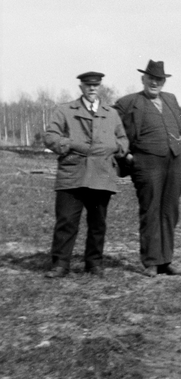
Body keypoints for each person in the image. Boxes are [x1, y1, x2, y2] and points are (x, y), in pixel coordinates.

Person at [44, 71, 129, 278]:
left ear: (100, 87)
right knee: (66, 221)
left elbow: (123, 140)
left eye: (96, 86)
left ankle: (94, 263)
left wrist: (115, 147)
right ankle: (60, 264)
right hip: (72, 175)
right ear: (81, 87)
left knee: (98, 222)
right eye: (88, 85)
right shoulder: (65, 110)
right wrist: (70, 144)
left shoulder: (111, 113)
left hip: (101, 174)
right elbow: (50, 136)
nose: (92, 89)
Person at [115, 60, 181, 276]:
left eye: (158, 79)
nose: (154, 83)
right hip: (146, 164)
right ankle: (151, 262)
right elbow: (112, 129)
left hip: (173, 163)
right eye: (150, 79)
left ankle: (166, 260)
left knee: (169, 211)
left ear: (163, 82)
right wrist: (125, 154)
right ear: (143, 79)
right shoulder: (128, 103)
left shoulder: (171, 100)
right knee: (151, 211)